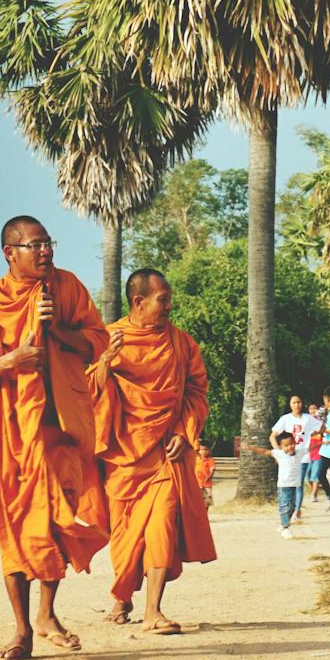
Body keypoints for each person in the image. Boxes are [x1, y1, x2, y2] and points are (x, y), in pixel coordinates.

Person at [0, 215, 110, 660]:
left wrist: (56, 329)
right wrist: (11, 360)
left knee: (59, 524)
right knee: (16, 530)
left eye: (47, 243)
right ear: (9, 253)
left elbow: (97, 343)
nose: (45, 252)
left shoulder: (68, 288)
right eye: (34, 245)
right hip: (11, 438)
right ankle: (22, 630)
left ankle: (46, 614)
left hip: (62, 432)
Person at [88, 268, 217, 635]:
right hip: (122, 456)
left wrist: (183, 430)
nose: (169, 306)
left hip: (165, 453)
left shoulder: (181, 343)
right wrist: (103, 366)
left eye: (169, 298)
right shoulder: (109, 338)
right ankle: (123, 596)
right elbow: (86, 393)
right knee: (126, 535)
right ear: (138, 301)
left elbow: (196, 393)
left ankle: (153, 611)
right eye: (163, 299)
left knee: (162, 523)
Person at [271, 395, 314, 523]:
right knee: (289, 485)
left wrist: (310, 435)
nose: (297, 405)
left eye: (299, 402)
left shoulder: (308, 418)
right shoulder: (285, 419)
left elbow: (320, 428)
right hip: (289, 458)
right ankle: (291, 510)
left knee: (299, 485)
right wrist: (278, 453)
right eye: (294, 403)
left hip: (303, 456)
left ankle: (296, 511)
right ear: (290, 405)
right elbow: (273, 436)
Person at [269, 430, 301, 538]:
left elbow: (310, 448)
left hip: (294, 485)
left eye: (291, 444)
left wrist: (322, 443)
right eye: (286, 445)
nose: (290, 447)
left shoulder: (298, 453)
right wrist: (252, 448)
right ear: (281, 447)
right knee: (285, 506)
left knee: (292, 506)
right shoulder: (280, 454)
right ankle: (286, 528)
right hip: (283, 486)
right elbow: (265, 452)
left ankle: (283, 525)